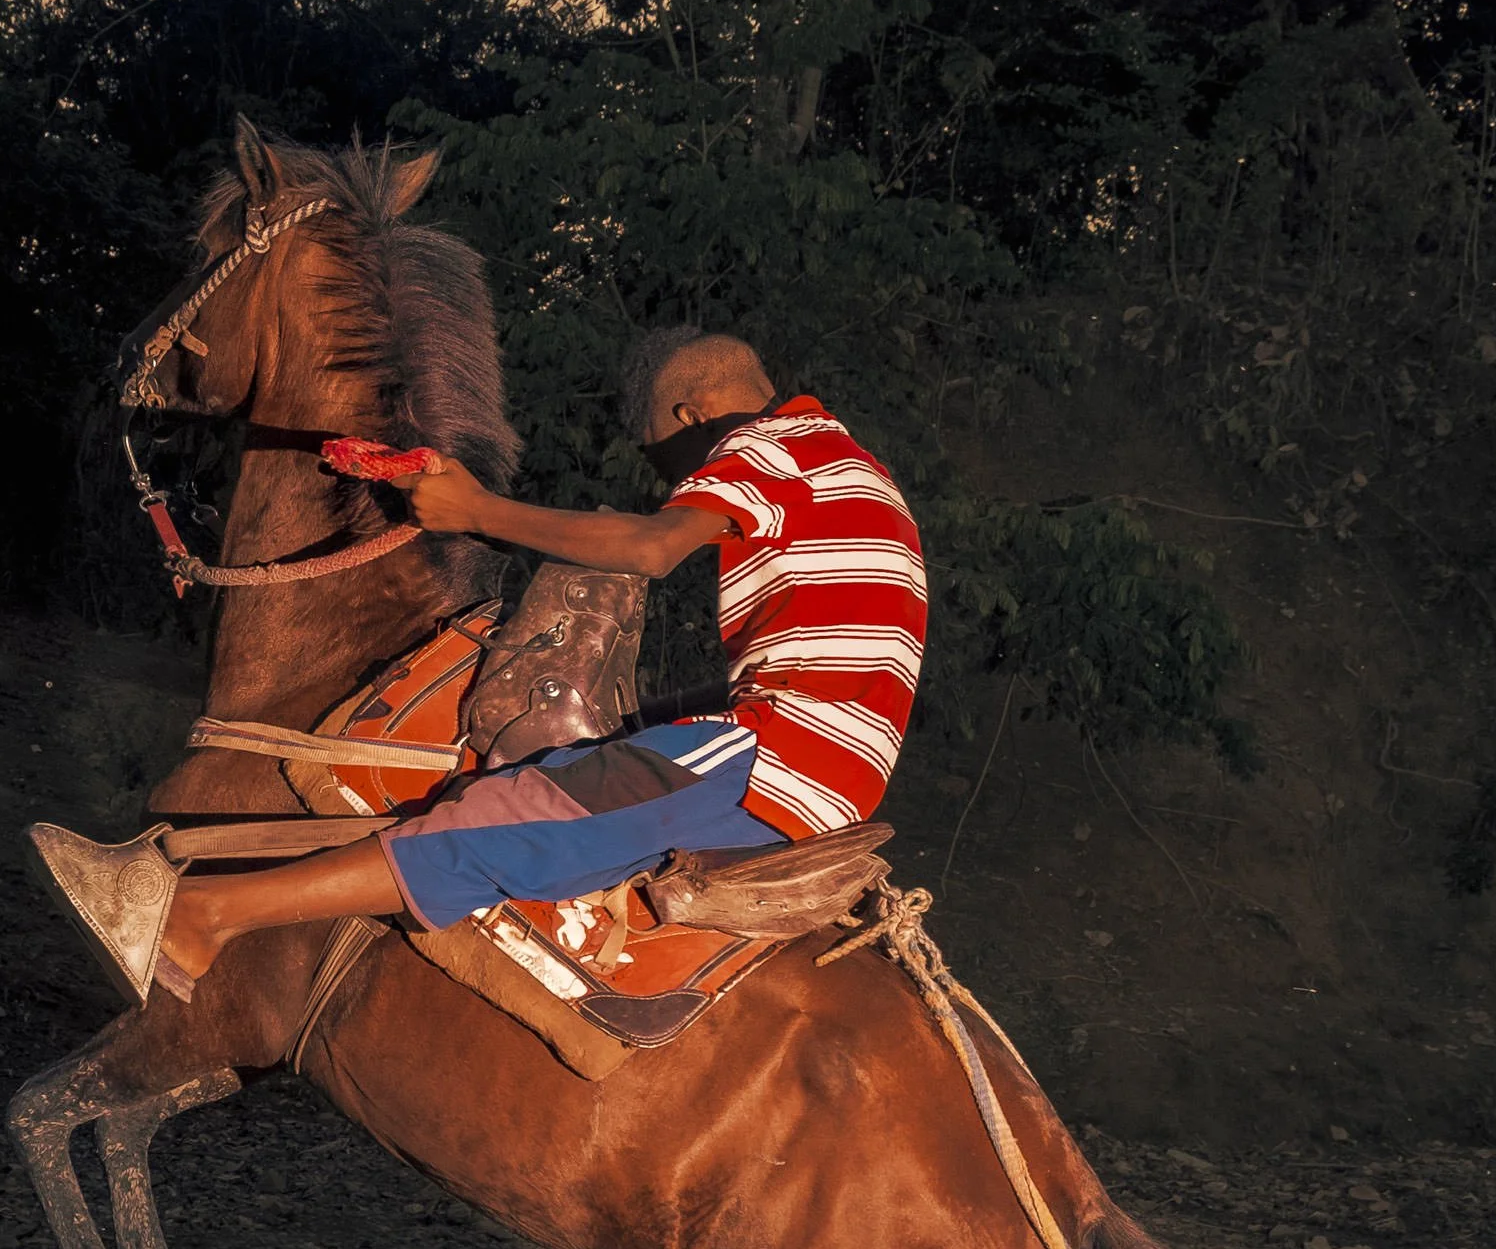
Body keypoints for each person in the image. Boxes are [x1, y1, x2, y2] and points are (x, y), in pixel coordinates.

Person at [55, 330, 928, 1000]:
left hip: (780, 758)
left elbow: (650, 549)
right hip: (823, 758)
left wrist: (477, 510)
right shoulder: (849, 467)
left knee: (516, 811)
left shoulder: (766, 448)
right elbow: (831, 668)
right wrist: (649, 721)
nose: (670, 480)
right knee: (582, 775)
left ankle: (200, 918)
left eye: (660, 455)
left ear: (689, 415)